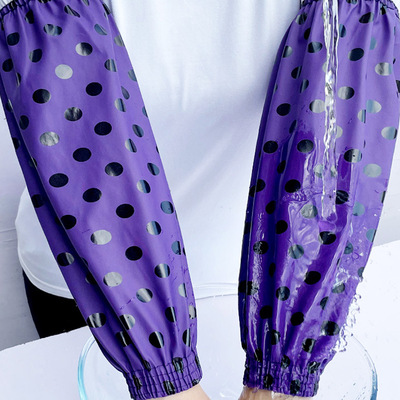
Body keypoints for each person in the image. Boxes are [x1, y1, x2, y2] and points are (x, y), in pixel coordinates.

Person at [1, 0, 399, 399]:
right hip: (96, 289)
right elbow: (78, 138)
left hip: (260, 288)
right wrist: (165, 376)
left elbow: (333, 164)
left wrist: (281, 374)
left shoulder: (348, 11)